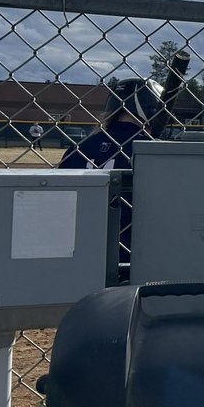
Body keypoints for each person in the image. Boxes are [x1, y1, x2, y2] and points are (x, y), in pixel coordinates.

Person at [59, 77, 162, 266]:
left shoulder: (78, 147)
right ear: (151, 108)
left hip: (75, 250)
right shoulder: (152, 151)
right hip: (132, 256)